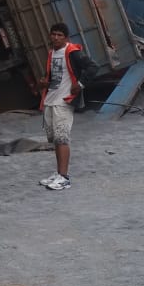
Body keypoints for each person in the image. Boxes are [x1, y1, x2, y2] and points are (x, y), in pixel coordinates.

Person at [36, 23, 97, 191]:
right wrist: (44, 83)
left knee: (62, 138)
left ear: (66, 38)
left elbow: (93, 67)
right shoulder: (51, 53)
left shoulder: (73, 52)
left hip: (64, 101)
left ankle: (64, 177)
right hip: (50, 100)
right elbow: (55, 78)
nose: (56, 37)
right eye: (53, 34)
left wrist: (80, 84)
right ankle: (58, 173)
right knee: (55, 138)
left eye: (59, 35)